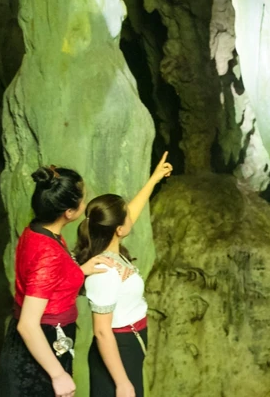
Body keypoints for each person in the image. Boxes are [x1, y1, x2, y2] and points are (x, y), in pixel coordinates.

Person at [0, 166, 116, 397]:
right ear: (70, 213)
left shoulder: (38, 231)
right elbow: (28, 324)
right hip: (41, 347)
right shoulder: (48, 252)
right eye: (83, 199)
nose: (86, 202)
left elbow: (45, 280)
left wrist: (79, 271)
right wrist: (58, 375)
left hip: (36, 344)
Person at [75, 152, 174, 397]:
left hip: (128, 343)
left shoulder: (110, 248)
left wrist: (154, 179)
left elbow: (131, 212)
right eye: (127, 214)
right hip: (118, 347)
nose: (132, 215)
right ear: (119, 229)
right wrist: (121, 383)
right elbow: (101, 331)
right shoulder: (105, 271)